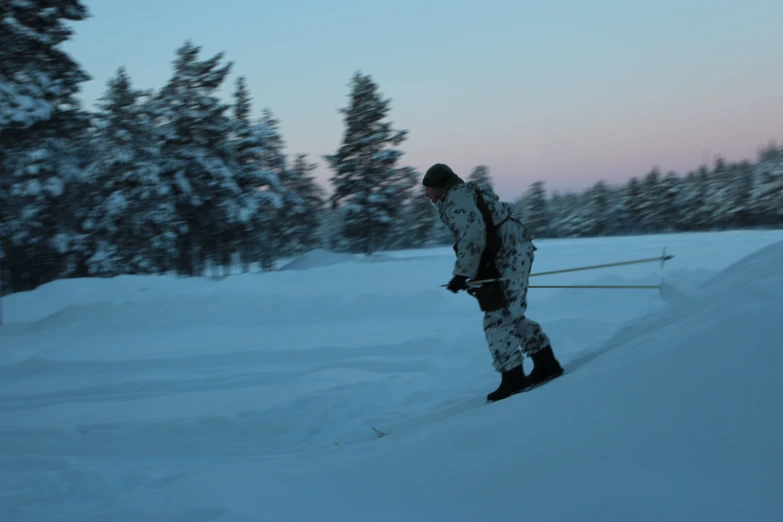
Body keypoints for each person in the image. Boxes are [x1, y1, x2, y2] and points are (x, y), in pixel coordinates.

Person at [422, 163, 564, 402]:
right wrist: (472, 275)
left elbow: (473, 234)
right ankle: (545, 362)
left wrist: (462, 273)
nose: (426, 194)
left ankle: (513, 378)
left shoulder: (457, 198)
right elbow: (480, 236)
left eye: (427, 188)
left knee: (497, 319)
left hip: (512, 254)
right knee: (511, 315)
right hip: (509, 253)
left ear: (438, 186)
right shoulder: (457, 197)